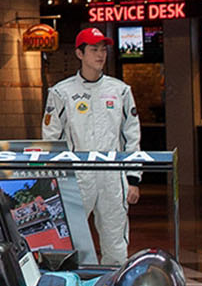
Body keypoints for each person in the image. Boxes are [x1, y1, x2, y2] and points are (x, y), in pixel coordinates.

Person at [42, 27, 141, 268]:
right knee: (69, 237)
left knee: (115, 242)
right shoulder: (61, 92)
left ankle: (113, 285)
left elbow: (132, 135)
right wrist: (53, 177)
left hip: (112, 175)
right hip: (76, 175)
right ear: (80, 53)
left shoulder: (120, 91)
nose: (100, 55)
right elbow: (50, 137)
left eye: (103, 50)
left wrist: (133, 177)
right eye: (94, 49)